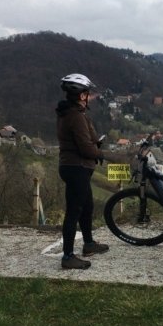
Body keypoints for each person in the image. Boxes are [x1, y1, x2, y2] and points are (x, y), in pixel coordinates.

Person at [56, 73, 109, 269]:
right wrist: (101, 154)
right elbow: (85, 148)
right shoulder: (76, 116)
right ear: (81, 96)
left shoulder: (69, 113)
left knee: (86, 207)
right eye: (88, 93)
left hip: (74, 167)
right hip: (76, 167)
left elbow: (85, 140)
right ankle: (68, 257)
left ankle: (88, 244)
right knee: (74, 212)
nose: (89, 97)